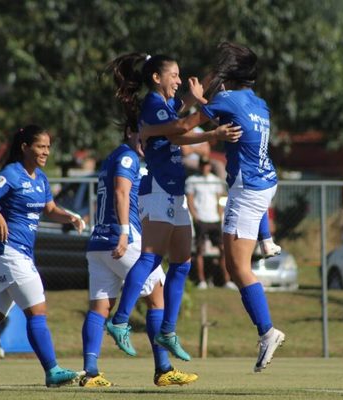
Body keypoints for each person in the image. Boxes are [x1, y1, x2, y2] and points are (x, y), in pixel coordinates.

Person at [140, 42, 286, 372]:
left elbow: (181, 128)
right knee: (239, 258)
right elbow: (226, 114)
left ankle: (267, 332)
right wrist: (203, 99)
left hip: (247, 190)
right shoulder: (260, 104)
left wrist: (150, 129)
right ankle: (266, 238)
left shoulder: (225, 100)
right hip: (266, 183)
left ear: (227, 75)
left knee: (237, 268)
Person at [104, 52, 242, 362]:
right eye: (175, 75)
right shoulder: (154, 104)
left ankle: (167, 331)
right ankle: (120, 320)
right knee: (151, 257)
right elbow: (181, 126)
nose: (179, 80)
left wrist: (207, 85)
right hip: (158, 191)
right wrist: (211, 123)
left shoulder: (163, 105)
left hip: (175, 193)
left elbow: (177, 127)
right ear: (156, 78)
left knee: (182, 263)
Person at [0, 125, 85, 388]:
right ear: (25, 148)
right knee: (37, 310)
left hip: (15, 255)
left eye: (48, 147)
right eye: (41, 146)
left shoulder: (40, 178)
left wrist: (71, 216)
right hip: (9, 253)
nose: (46, 152)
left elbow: (50, 209)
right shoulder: (11, 173)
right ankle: (52, 371)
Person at [81, 124, 198, 387]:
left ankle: (90, 372)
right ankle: (164, 369)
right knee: (157, 300)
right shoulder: (127, 156)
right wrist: (124, 232)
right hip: (122, 239)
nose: (148, 141)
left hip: (98, 241)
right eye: (144, 135)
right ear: (131, 133)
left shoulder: (111, 156)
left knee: (99, 308)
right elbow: (122, 193)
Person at [185, 156, 233, 289]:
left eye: (207, 164)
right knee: (200, 250)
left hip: (214, 219)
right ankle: (201, 281)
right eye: (202, 164)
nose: (205, 167)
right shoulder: (192, 181)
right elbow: (190, 200)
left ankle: (226, 280)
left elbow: (219, 199)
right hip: (201, 218)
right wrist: (195, 217)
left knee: (223, 249)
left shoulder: (215, 181)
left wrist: (219, 214)